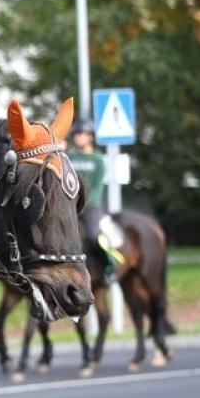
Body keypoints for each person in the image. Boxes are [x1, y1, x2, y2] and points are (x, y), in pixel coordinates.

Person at [68, 120, 124, 280]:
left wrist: (83, 202)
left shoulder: (98, 159)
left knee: (94, 237)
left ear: (90, 136)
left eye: (81, 134)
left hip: (90, 207)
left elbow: (97, 187)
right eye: (76, 134)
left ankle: (109, 266)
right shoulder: (70, 157)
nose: (78, 137)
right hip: (69, 206)